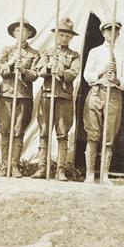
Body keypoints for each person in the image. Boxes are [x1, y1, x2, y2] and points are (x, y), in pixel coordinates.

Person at [31, 18, 80, 181]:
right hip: (47, 95)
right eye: (61, 34)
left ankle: (60, 169)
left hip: (64, 98)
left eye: (67, 36)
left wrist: (60, 72)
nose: (64, 38)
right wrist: (49, 68)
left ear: (71, 37)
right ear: (56, 34)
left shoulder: (74, 55)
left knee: (62, 134)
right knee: (44, 132)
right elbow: (38, 71)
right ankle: (41, 167)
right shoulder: (47, 52)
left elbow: (73, 73)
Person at [83, 20, 124, 184]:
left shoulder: (123, 53)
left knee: (109, 135)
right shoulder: (95, 52)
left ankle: (104, 175)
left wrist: (116, 79)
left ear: (118, 34)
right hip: (96, 92)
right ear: (103, 33)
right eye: (108, 31)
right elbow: (87, 75)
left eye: (115, 31)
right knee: (93, 133)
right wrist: (102, 71)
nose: (112, 33)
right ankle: (89, 174)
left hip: (114, 94)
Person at [0, 18, 40, 178]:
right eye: (17, 30)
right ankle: (4, 165)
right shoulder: (7, 50)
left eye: (24, 30)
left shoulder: (34, 54)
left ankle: (14, 165)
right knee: (5, 130)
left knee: (18, 131)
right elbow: (0, 69)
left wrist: (22, 69)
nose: (21, 33)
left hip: (23, 96)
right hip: (7, 94)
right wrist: (11, 63)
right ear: (14, 33)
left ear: (29, 33)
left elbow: (35, 75)